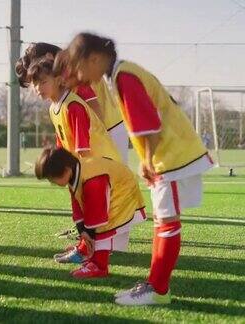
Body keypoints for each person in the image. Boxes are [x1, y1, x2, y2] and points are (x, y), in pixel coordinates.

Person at [66, 32, 213, 305]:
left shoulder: (124, 75)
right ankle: (154, 286)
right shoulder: (121, 73)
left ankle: (157, 290)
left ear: (94, 58)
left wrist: (146, 160)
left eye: (79, 65)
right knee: (163, 222)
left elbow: (149, 123)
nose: (78, 73)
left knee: (168, 223)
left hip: (171, 156)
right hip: (169, 155)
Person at [35, 147, 145, 278]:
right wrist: (82, 230)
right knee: (91, 226)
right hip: (115, 187)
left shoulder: (92, 178)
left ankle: (99, 266)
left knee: (103, 224)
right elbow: (78, 205)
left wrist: (90, 232)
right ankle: (84, 251)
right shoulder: (75, 171)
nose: (52, 182)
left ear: (66, 170)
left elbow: (96, 211)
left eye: (52, 178)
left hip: (124, 190)